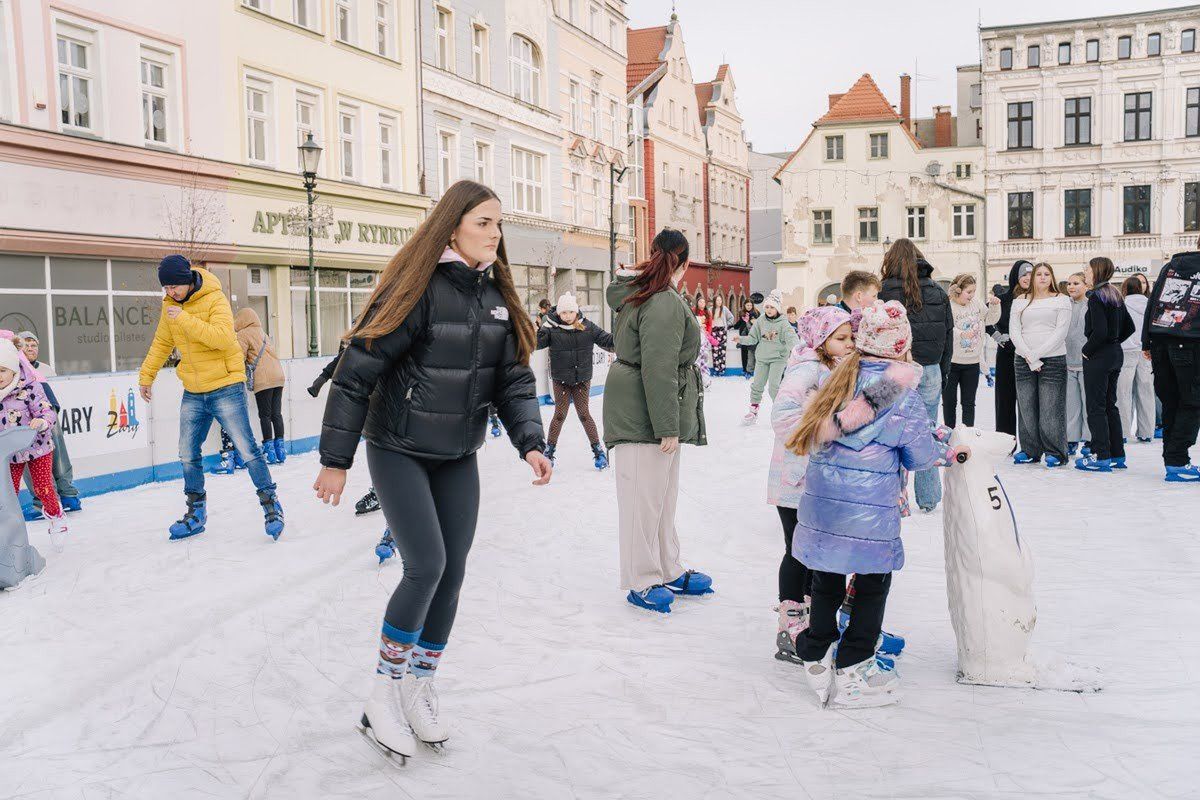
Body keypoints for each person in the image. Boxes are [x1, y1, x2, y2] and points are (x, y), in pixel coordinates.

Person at [313, 180, 551, 759]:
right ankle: (381, 695)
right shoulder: (417, 289)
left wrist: (530, 442)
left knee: (453, 571)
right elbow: (356, 373)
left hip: (457, 452)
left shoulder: (495, 296)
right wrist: (336, 461)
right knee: (426, 566)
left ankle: (418, 686)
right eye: (484, 223)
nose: (495, 234)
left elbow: (512, 381)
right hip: (398, 446)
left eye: (498, 223)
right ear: (452, 227)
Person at [787, 301, 967, 708]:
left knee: (826, 576)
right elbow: (920, 456)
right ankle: (855, 665)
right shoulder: (901, 395)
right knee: (872, 583)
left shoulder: (837, 378)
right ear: (902, 347)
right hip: (867, 509)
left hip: (823, 504)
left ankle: (817, 652)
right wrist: (947, 450)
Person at [138, 254, 284, 540]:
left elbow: (221, 338)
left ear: (187, 280)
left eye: (174, 287)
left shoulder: (215, 299)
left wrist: (185, 319)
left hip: (226, 385)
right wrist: (147, 376)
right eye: (166, 288)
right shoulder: (170, 305)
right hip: (194, 389)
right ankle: (196, 512)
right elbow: (162, 342)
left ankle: (271, 505)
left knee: (247, 449)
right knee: (187, 452)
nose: (170, 293)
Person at [603, 228, 711, 614]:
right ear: (685, 262)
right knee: (642, 502)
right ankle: (642, 577)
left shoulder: (654, 293)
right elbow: (659, 366)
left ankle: (666, 566)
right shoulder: (661, 299)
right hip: (642, 413)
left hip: (651, 407)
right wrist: (667, 425)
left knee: (661, 499)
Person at [768, 306, 853, 664]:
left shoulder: (832, 367)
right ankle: (789, 627)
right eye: (841, 338)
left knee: (813, 553)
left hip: (817, 479)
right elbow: (782, 417)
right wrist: (822, 433)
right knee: (797, 550)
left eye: (850, 337)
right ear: (820, 339)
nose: (849, 343)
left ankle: (810, 620)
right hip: (796, 479)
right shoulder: (805, 369)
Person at [879, 238, 953, 512]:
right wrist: (942, 371)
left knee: (889, 432)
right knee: (927, 430)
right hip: (930, 368)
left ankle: (890, 495)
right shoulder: (938, 292)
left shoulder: (883, 292)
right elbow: (947, 335)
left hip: (895, 368)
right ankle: (929, 496)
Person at [0, 338, 67, 551]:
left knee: (42, 487)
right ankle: (9, 533)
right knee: (8, 493)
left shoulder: (29, 387)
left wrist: (42, 421)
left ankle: (56, 517)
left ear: (13, 369)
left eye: (2, 370)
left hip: (37, 446)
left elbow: (47, 410)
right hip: (10, 452)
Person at [536, 291, 615, 469]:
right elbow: (536, 343)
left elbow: (607, 340)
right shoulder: (551, 328)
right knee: (559, 415)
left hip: (582, 380)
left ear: (576, 311)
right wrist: (540, 329)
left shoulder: (587, 327)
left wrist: (625, 337)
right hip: (561, 380)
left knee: (584, 414)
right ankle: (549, 451)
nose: (567, 316)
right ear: (558, 313)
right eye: (563, 312)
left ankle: (598, 452)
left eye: (570, 312)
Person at [1141, 247, 1200, 482]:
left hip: (1160, 340)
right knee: (1192, 401)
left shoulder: (1170, 266)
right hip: (1191, 342)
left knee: (1171, 402)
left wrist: (1146, 341)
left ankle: (1172, 460)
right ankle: (1177, 459)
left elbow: (1152, 302)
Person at [1009, 263, 1072, 467]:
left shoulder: (1062, 300)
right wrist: (1029, 356)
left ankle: (1056, 452)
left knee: (1051, 408)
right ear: (1033, 278)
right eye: (1038, 274)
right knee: (1026, 407)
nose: (1043, 277)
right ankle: (1030, 450)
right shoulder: (1020, 301)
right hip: (1023, 359)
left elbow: (1061, 332)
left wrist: (1036, 355)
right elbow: (1014, 331)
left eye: (1047, 274)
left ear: (1052, 277)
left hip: (1053, 359)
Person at [1077, 257, 1135, 472]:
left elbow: (1099, 331)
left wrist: (1087, 350)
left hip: (1099, 357)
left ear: (1097, 271)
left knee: (1096, 407)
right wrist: (1114, 341)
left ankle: (1101, 455)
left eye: (1087, 269)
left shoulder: (1096, 297)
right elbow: (1129, 327)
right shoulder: (1114, 294)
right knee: (1110, 405)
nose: (1085, 272)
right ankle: (1117, 454)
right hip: (1115, 355)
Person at [16, 332, 82, 516]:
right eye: (25, 345)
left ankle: (58, 498)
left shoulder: (35, 368)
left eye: (33, 345)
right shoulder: (16, 364)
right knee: (37, 454)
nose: (30, 349)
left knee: (49, 452)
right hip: (32, 409)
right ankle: (52, 499)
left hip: (42, 410)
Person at [944, 274, 1000, 428]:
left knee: (969, 403)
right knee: (949, 403)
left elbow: (990, 320)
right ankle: (949, 433)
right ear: (958, 290)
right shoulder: (948, 306)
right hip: (951, 363)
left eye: (974, 291)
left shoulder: (976, 303)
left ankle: (968, 435)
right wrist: (961, 334)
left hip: (972, 363)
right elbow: (946, 329)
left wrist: (995, 306)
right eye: (969, 292)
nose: (972, 295)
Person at [234, 308, 288, 465]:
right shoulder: (263, 333)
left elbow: (239, 357)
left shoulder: (243, 334)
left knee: (265, 415)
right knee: (276, 414)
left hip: (264, 378)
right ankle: (281, 451)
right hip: (278, 376)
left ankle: (269, 451)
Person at [741, 290, 800, 424]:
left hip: (778, 358)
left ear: (777, 308)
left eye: (772, 307)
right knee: (757, 385)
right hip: (762, 357)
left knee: (774, 387)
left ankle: (780, 412)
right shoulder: (761, 320)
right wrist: (741, 339)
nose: (768, 310)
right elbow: (753, 337)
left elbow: (792, 338)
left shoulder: (783, 323)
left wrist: (798, 350)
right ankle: (753, 411)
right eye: (767, 307)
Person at [990, 261, 1034, 438]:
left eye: (1031, 274)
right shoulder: (1004, 298)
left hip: (1030, 356)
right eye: (1024, 274)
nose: (1028, 278)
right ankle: (1005, 441)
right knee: (1005, 400)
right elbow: (985, 319)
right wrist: (997, 336)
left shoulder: (1037, 299)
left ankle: (1030, 444)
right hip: (1007, 356)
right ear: (1016, 276)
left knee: (1029, 403)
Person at [1118, 276, 1154, 444]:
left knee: (1123, 393)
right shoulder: (1150, 305)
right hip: (1146, 352)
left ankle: (1123, 432)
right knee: (1146, 391)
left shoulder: (1121, 305)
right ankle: (1146, 431)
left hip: (1126, 351)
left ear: (1125, 289)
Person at [1064, 272, 1091, 455]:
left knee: (1088, 404)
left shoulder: (1091, 305)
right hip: (1067, 362)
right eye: (1069, 283)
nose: (1071, 287)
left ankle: (1089, 439)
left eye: (1076, 283)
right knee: (1072, 405)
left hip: (1086, 362)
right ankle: (1071, 439)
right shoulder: (1064, 305)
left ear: (1086, 286)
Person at [732, 299, 760, 378]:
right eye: (747, 305)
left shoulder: (756, 313)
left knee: (753, 354)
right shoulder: (742, 313)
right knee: (744, 353)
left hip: (753, 336)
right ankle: (745, 369)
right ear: (744, 305)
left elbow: (758, 324)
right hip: (743, 335)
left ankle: (753, 370)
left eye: (750, 305)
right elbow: (739, 323)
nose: (749, 307)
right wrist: (733, 326)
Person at [709, 293, 734, 376]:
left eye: (720, 300)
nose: (719, 302)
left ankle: (722, 370)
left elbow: (731, 317)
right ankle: (716, 369)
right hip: (714, 331)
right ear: (714, 301)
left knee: (722, 350)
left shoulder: (724, 309)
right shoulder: (710, 309)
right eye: (717, 300)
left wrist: (727, 325)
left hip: (722, 330)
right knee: (715, 350)